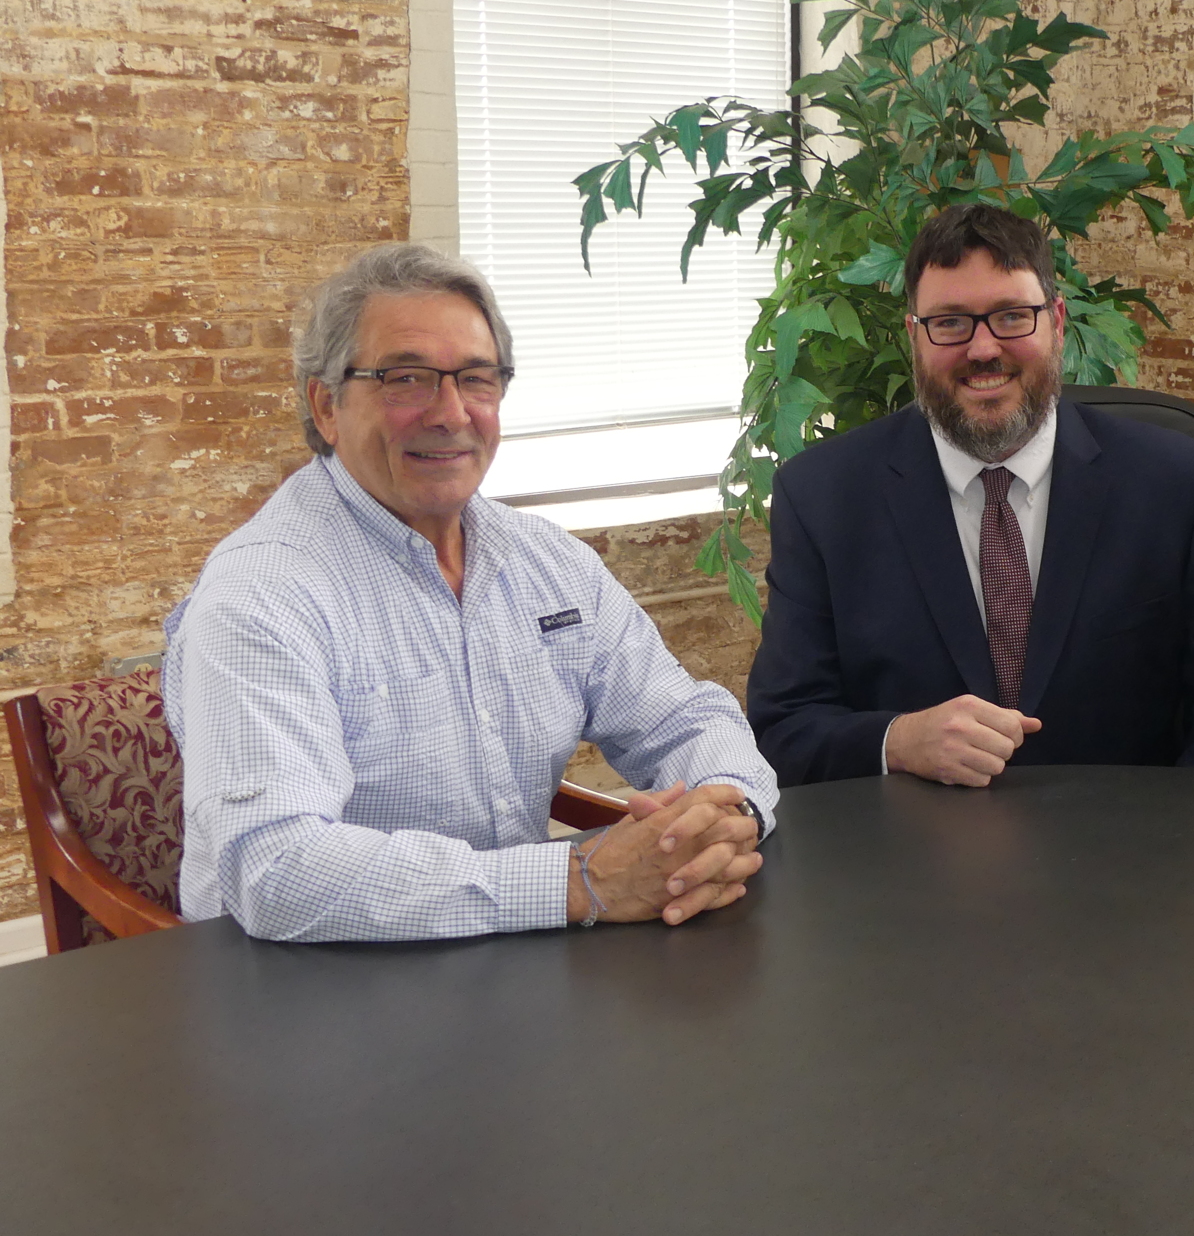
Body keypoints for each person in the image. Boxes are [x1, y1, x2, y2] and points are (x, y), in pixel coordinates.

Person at [164, 243, 777, 942]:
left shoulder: (547, 563)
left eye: (477, 379)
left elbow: (686, 721)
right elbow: (279, 873)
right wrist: (579, 881)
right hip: (303, 989)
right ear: (326, 405)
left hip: (508, 959)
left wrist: (727, 815)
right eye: (407, 379)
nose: (451, 412)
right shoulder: (262, 595)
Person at [747, 203, 1194, 786]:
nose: (983, 349)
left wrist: (1176, 852)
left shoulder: (1170, 484)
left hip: (1131, 854)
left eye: (1011, 316)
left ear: (1056, 321)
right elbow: (782, 728)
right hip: (909, 859)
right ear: (914, 337)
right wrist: (898, 740)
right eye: (950, 322)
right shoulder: (823, 497)